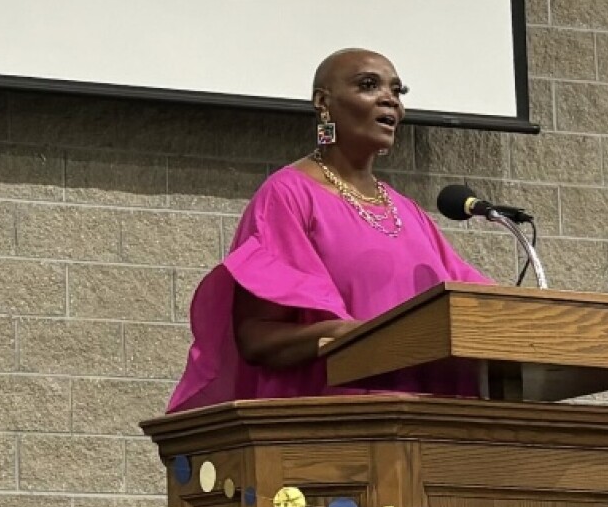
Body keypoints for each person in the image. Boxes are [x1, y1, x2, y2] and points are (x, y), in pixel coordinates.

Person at [167, 48, 491, 413]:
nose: (390, 99)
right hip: (336, 422)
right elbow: (256, 338)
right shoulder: (289, 195)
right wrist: (343, 334)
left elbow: (473, 303)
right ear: (323, 103)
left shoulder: (408, 212)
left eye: (397, 91)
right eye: (369, 85)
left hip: (425, 423)